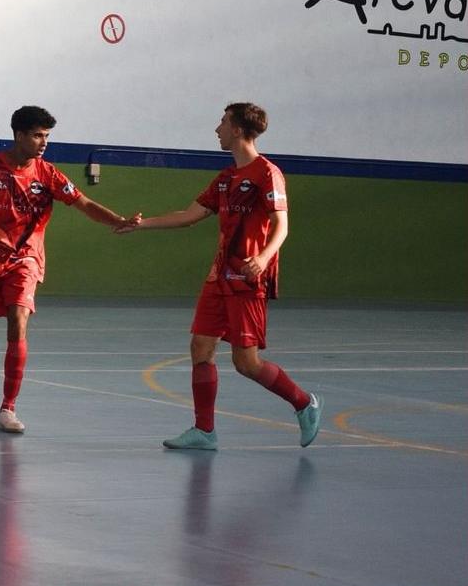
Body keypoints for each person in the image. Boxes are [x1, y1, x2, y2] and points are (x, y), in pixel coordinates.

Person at [116, 103, 322, 450]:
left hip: (247, 280)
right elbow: (188, 215)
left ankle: (304, 403)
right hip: (218, 278)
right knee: (200, 346)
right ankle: (204, 431)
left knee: (246, 363)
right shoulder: (226, 178)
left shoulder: (267, 173)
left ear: (238, 130)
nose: (217, 129)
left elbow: (281, 224)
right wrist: (142, 224)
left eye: (223, 123)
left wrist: (263, 257)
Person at [0, 105, 139, 433]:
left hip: (25, 261)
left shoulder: (48, 174)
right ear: (18, 135)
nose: (43, 142)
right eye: (37, 135)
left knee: (18, 321)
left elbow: (84, 203)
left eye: (47, 136)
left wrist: (116, 220)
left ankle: (8, 408)